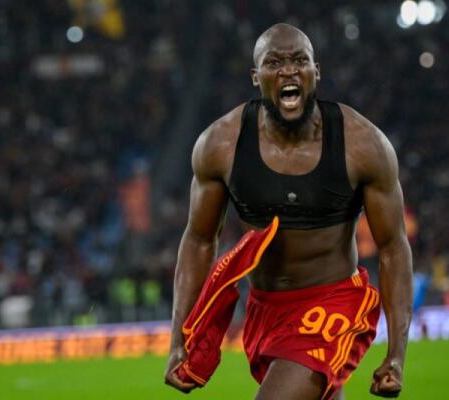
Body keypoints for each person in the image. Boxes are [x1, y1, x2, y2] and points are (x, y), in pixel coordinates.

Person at [164, 23, 413, 399]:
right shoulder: (220, 145)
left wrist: (396, 356)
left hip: (331, 307)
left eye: (299, 60)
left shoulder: (363, 145)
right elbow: (199, 240)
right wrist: (178, 341)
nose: (288, 70)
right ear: (256, 76)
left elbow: (394, 247)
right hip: (265, 311)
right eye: (274, 62)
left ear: (316, 72)